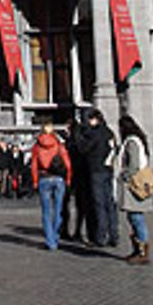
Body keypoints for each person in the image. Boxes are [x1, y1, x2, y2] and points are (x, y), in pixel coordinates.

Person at [75, 108, 118, 247]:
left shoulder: (94, 134)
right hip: (108, 170)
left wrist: (78, 136)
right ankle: (114, 234)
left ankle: (101, 235)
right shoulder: (109, 132)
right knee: (110, 202)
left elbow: (83, 149)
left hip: (96, 170)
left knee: (99, 203)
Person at [116, 114, 153, 265]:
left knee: (136, 217)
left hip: (135, 184)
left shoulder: (131, 142)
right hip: (136, 182)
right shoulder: (138, 140)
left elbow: (134, 164)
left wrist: (124, 175)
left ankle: (142, 251)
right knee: (134, 217)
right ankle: (137, 249)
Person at [30, 119, 71, 252]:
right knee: (58, 210)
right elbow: (68, 164)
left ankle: (50, 241)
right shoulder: (59, 145)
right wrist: (68, 178)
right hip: (58, 179)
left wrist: (35, 181)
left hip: (44, 178)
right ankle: (56, 236)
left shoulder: (37, 146)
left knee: (46, 212)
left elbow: (34, 166)